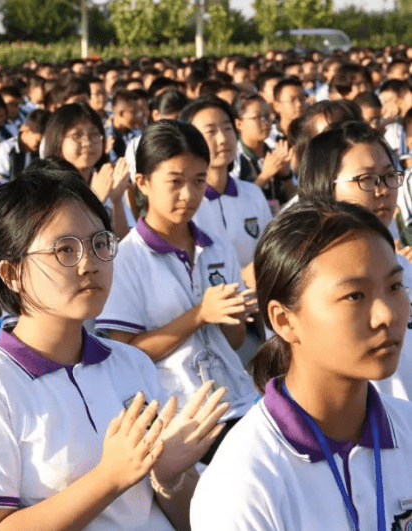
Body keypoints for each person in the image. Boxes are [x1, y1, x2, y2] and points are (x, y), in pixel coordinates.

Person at [0, 168, 228, 531]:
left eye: (100, 243)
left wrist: (169, 477)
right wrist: (108, 478)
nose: (89, 264)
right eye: (64, 250)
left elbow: (187, 519)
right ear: (11, 274)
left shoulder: (131, 363)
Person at [191, 199, 412, 530]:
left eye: (394, 286)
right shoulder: (242, 482)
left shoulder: (406, 427)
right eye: (355, 296)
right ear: (284, 320)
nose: (387, 315)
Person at [95, 120, 258, 463]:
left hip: (237, 401)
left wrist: (232, 314)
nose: (189, 194)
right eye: (175, 182)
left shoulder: (217, 247)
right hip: (179, 416)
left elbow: (236, 341)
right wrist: (199, 315)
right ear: (143, 183)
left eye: (199, 180)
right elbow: (126, 354)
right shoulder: (127, 258)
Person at [297, 120, 412, 400]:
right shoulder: (304, 276)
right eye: (367, 179)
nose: (383, 189)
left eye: (388, 176)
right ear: (326, 184)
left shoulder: (402, 266)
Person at [180, 97, 272, 272]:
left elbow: (270, 252)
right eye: (211, 131)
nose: (222, 139)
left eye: (227, 128)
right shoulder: (184, 203)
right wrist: (241, 277)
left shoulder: (252, 193)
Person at [42, 103, 131, 238]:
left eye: (94, 134)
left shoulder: (104, 179)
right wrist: (96, 200)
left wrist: (117, 201)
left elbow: (123, 241)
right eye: (77, 136)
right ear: (57, 140)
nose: (87, 142)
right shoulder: (46, 185)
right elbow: (62, 239)